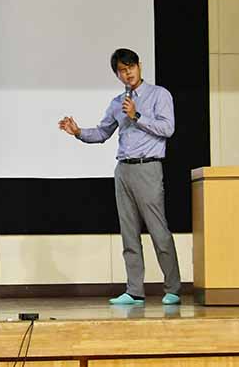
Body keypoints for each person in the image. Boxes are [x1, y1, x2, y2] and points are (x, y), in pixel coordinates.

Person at [58, 48, 181, 305]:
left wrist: (137, 115)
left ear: (139, 66)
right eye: (122, 71)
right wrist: (78, 132)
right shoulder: (117, 103)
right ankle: (134, 291)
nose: (128, 74)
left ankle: (172, 289)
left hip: (148, 167)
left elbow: (167, 128)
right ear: (117, 74)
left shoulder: (159, 95)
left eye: (131, 68)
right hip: (123, 169)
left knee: (159, 231)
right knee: (129, 233)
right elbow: (102, 133)